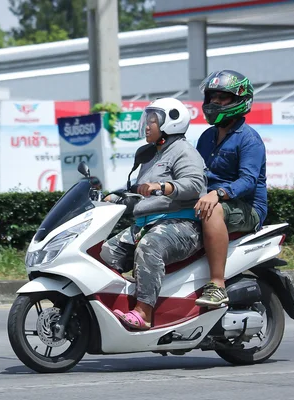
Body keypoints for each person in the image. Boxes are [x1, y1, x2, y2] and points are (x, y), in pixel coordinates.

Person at [100, 97, 206, 331]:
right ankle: (114, 304)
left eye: (153, 120)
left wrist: (163, 187)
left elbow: (194, 184)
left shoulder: (183, 151)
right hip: (146, 224)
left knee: (150, 246)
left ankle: (144, 313)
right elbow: (137, 192)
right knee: (105, 253)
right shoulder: (150, 154)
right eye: (147, 120)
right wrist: (112, 197)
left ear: (171, 123)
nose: (147, 125)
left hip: (181, 225)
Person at [193, 70, 268, 308]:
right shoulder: (206, 137)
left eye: (222, 97)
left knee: (212, 210)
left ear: (239, 100)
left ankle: (217, 285)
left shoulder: (249, 139)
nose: (214, 102)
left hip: (247, 207)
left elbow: (248, 181)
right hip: (213, 201)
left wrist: (218, 194)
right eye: (211, 97)